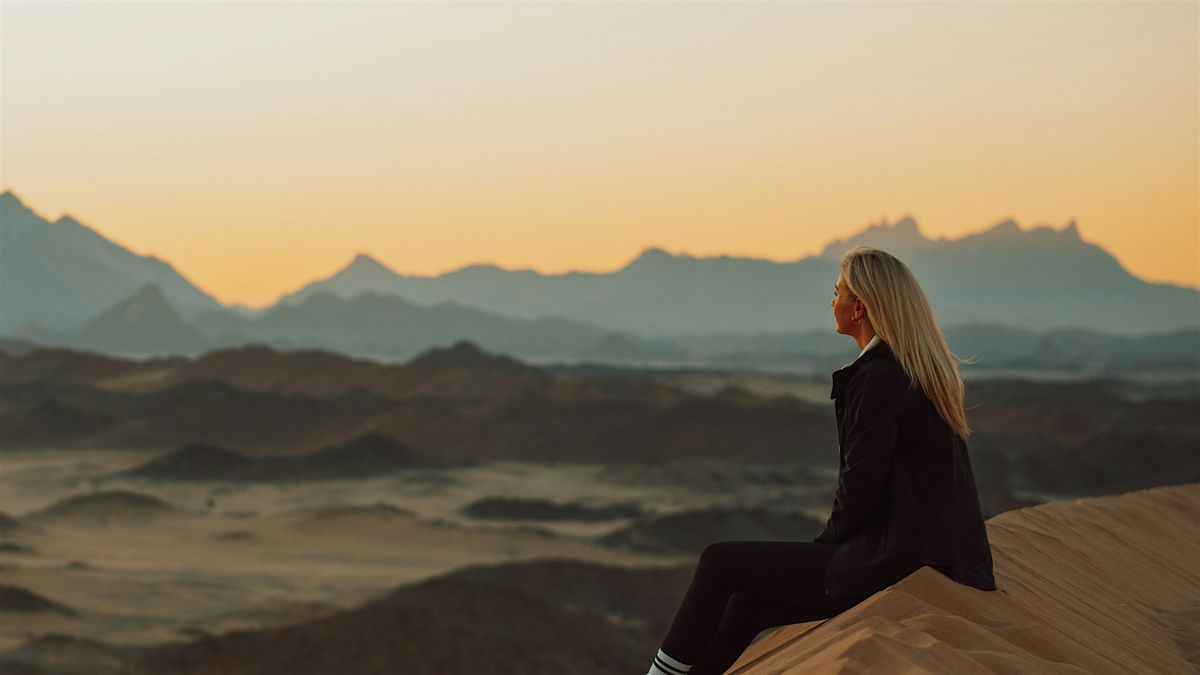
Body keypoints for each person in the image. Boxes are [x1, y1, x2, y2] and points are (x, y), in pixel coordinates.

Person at [643, 246, 997, 675]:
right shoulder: (919, 371)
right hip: (937, 558)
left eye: (837, 293)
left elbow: (861, 485)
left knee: (719, 561)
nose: (833, 303)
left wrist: (827, 550)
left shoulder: (878, 376)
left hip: (895, 562)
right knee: (750, 603)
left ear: (859, 307)